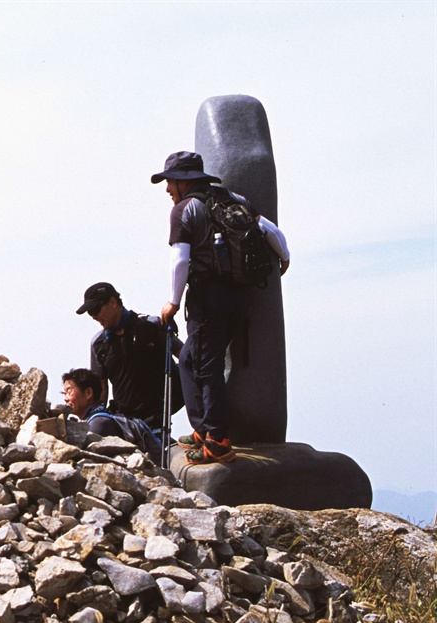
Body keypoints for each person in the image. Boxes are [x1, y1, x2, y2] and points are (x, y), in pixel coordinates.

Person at [152, 151, 290, 465]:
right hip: (241, 297)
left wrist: (173, 301)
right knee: (189, 359)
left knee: (204, 365)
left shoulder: (185, 210)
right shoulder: (232, 199)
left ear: (183, 181)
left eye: (169, 182)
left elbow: (181, 260)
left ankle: (217, 441)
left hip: (208, 296)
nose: (167, 189)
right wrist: (283, 256)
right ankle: (202, 429)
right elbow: (272, 232)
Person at [76, 282, 181, 441]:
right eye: (90, 313)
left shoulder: (151, 325)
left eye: (96, 309)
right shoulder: (98, 344)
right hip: (124, 421)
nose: (93, 316)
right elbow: (101, 388)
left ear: (112, 302)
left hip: (158, 415)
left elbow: (185, 356)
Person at [61, 367, 162, 458]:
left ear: (88, 393)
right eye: (64, 394)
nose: (65, 399)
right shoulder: (95, 419)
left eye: (69, 392)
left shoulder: (99, 423)